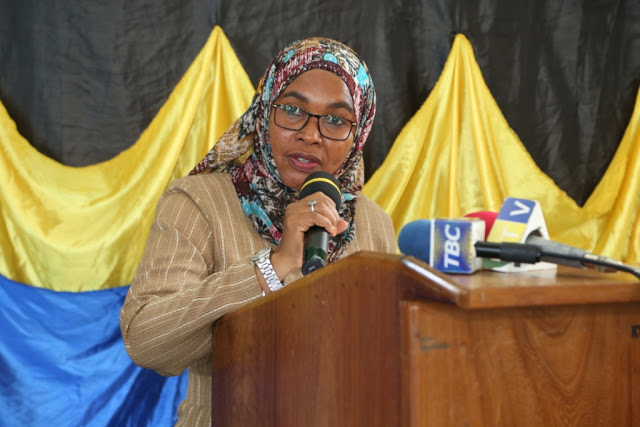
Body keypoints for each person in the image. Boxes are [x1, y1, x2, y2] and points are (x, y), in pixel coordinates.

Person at [120, 37, 397, 426]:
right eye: (293, 110)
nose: (311, 134)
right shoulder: (199, 202)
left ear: (359, 133)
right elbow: (147, 343)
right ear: (264, 112)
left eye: (336, 120)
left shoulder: (372, 222)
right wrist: (273, 267)